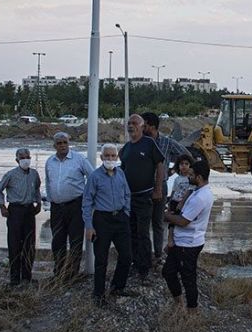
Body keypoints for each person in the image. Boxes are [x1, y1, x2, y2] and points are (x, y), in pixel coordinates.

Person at [83, 144, 134, 306]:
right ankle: (98, 295)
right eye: (107, 156)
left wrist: (126, 213)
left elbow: (127, 194)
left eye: (113, 156)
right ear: (102, 157)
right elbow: (87, 202)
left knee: (126, 256)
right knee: (101, 260)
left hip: (120, 218)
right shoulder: (95, 177)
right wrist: (89, 226)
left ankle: (118, 286)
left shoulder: (121, 174)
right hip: (102, 220)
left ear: (117, 158)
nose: (110, 159)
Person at [163, 160, 215, 310]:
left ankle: (192, 311)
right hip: (181, 242)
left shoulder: (201, 197)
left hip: (189, 244)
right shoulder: (196, 191)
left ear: (198, 177)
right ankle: (179, 303)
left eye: (191, 175)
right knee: (168, 272)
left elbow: (183, 221)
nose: (188, 177)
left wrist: (165, 216)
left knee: (188, 278)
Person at [120, 114, 165, 282]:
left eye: (134, 123)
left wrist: (158, 188)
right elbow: (121, 172)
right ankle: (134, 263)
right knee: (130, 232)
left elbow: (160, 165)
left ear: (141, 126)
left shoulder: (149, 143)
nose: (131, 126)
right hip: (128, 199)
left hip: (145, 197)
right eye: (129, 123)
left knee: (143, 233)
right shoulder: (125, 149)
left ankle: (144, 269)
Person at [141, 112, 191, 261]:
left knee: (158, 222)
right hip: (142, 188)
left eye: (144, 124)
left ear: (151, 126)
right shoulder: (140, 142)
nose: (141, 127)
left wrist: (174, 170)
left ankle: (157, 255)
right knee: (142, 224)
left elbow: (186, 155)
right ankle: (143, 256)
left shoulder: (167, 143)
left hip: (160, 187)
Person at [44, 132, 94, 280]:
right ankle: (58, 273)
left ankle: (72, 275)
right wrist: (51, 198)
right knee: (58, 240)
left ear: (69, 143)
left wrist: (88, 199)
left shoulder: (79, 159)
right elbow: (48, 182)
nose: (62, 146)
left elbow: (92, 177)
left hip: (75, 206)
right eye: (59, 143)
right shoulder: (50, 161)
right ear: (54, 146)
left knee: (75, 241)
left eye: (65, 142)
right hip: (57, 207)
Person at [0, 148, 42, 286]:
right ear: (17, 160)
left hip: (29, 211)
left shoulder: (34, 174)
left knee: (29, 244)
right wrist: (2, 206)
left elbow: (37, 189)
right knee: (14, 244)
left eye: (27, 156)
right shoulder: (11, 175)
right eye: (22, 157)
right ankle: (14, 278)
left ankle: (27, 276)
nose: (25, 159)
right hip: (15, 211)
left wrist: (38, 203)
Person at [167, 154, 195, 249]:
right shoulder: (177, 179)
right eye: (181, 164)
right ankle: (170, 239)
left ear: (190, 166)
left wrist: (183, 202)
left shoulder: (191, 179)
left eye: (186, 164)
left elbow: (190, 191)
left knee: (181, 221)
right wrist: (170, 202)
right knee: (172, 221)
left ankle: (180, 239)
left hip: (185, 203)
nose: (184, 166)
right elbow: (174, 191)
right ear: (178, 166)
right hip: (175, 201)